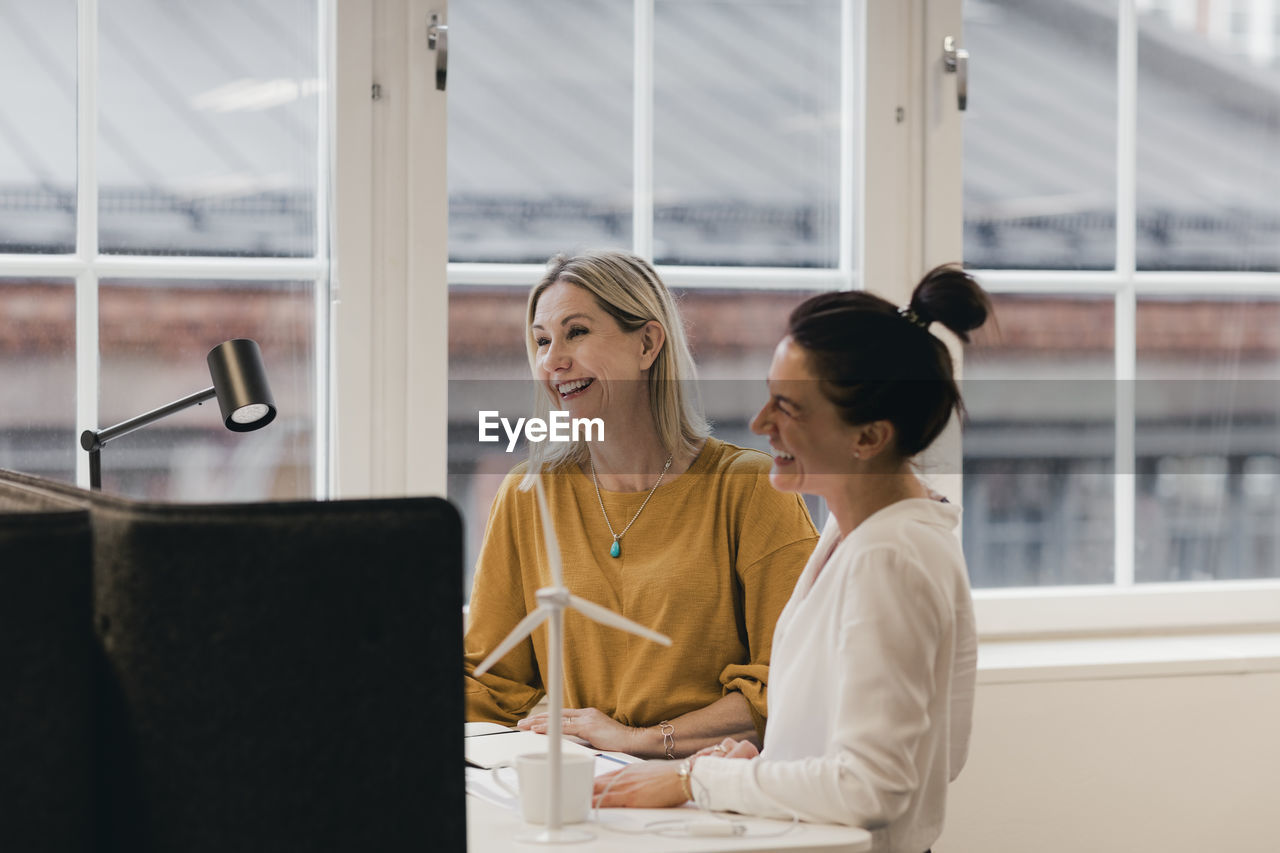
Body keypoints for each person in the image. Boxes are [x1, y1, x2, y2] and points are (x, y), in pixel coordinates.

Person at [593, 264, 988, 853]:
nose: (760, 424)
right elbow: (928, 751)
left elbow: (873, 786)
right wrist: (767, 766)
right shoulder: (858, 532)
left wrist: (695, 775)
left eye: (788, 407)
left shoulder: (891, 557)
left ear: (868, 437)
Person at [464, 249, 819, 758]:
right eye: (542, 341)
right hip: (577, 781)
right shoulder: (528, 495)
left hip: (710, 786)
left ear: (648, 343)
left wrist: (641, 740)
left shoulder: (749, 488)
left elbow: (790, 683)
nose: (552, 360)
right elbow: (490, 684)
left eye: (577, 332)